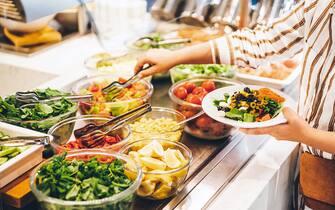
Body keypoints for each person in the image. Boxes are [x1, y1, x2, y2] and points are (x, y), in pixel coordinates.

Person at [134, 0, 335, 209]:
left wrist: (306, 135)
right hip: (315, 173)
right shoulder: (321, 4)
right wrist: (175, 57)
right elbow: (261, 42)